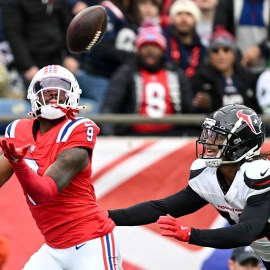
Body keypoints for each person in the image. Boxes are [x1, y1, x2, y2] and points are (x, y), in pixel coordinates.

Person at [108, 103, 270, 270]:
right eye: (209, 134)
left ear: (241, 144)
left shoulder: (257, 175)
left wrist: (192, 235)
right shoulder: (208, 175)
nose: (208, 141)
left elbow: (246, 232)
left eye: (218, 137)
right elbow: (161, 207)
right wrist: (106, 216)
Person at [0, 65, 122, 269]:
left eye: (60, 91)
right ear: (34, 96)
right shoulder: (19, 130)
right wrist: (13, 160)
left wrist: (19, 163)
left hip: (91, 241)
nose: (53, 97)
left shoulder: (79, 129)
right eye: (46, 92)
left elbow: (45, 192)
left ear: (73, 96)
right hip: (53, 247)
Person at [101, 22, 195, 136]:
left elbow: (189, 108)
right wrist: (109, 134)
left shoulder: (176, 73)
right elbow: (110, 105)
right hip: (133, 136)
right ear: (138, 50)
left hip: (171, 136)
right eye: (145, 46)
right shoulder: (127, 72)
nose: (150, 51)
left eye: (155, 46)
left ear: (162, 50)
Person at [191, 27, 260, 113]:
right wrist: (208, 105)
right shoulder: (199, 80)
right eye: (215, 51)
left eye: (226, 50)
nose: (221, 55)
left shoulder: (249, 79)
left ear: (234, 54)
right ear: (209, 56)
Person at [213, 0, 270, 74]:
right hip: (234, 68)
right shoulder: (228, 3)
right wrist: (237, 55)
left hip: (265, 68)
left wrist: (260, 49)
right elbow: (219, 30)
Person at [164, 0, 207, 79]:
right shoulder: (163, 44)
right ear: (172, 19)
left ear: (195, 20)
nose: (183, 19)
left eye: (188, 14)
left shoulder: (202, 50)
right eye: (179, 14)